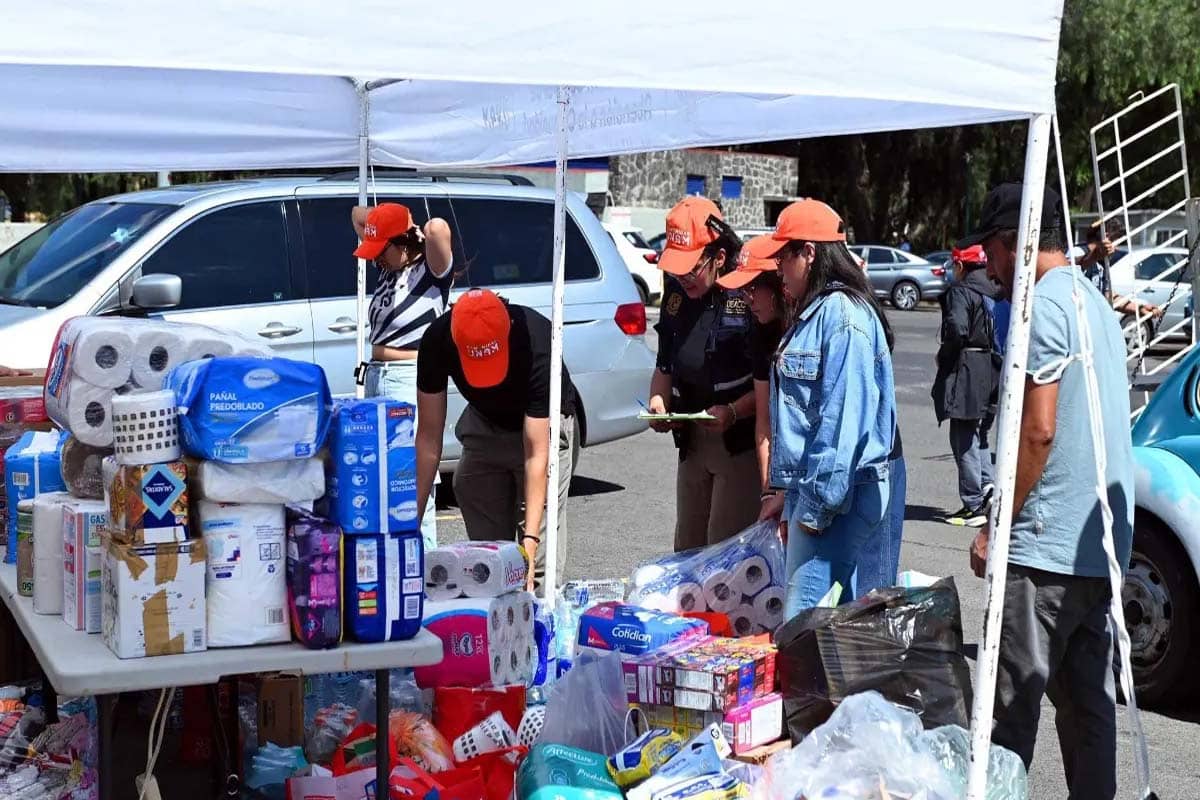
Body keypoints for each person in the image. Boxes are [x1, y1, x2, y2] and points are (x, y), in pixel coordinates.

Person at [962, 182, 1133, 799]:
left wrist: (996, 525)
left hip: (1046, 550)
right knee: (1090, 710)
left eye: (990, 254)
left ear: (1014, 244)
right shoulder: (1094, 303)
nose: (989, 269)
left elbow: (1038, 431)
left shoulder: (1046, 306)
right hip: (1100, 546)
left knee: (1009, 716)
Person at [752, 200, 896, 616]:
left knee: (802, 625)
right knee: (835, 631)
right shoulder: (818, 312)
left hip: (838, 497)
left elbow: (841, 424)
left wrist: (813, 510)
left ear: (809, 253)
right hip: (827, 493)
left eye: (784, 255)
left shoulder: (842, 316)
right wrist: (789, 493)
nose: (778, 266)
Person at [414, 289, 576, 592]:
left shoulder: (536, 340)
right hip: (486, 419)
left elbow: (536, 455)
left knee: (537, 565)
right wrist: (409, 527)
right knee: (487, 565)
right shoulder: (438, 340)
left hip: (542, 426)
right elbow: (427, 441)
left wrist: (529, 545)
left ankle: (539, 623)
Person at [649, 197, 760, 551]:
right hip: (693, 439)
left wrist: (732, 412)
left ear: (720, 258)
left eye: (691, 269)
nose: (683, 279)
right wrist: (658, 402)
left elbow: (770, 381)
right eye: (676, 269)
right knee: (688, 545)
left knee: (724, 551)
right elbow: (664, 362)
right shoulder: (676, 294)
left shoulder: (747, 294)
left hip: (737, 440)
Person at [352, 203, 453, 551]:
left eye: (383, 251)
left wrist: (414, 229)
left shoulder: (432, 271)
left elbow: (439, 228)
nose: (376, 258)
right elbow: (357, 214)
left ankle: (422, 562)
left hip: (409, 377)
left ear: (406, 243)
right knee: (379, 476)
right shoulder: (388, 271)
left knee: (409, 476)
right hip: (378, 376)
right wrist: (384, 227)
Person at [714, 236, 787, 511]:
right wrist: (768, 490)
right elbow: (764, 421)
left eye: (753, 288)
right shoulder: (760, 331)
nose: (747, 299)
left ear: (779, 280)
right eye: (743, 290)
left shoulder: (811, 327)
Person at [931, 244, 1001, 527]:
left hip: (968, 370)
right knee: (981, 433)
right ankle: (988, 488)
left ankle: (972, 503)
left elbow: (958, 329)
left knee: (963, 437)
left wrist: (944, 356)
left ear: (961, 266)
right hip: (993, 368)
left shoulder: (962, 291)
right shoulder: (997, 290)